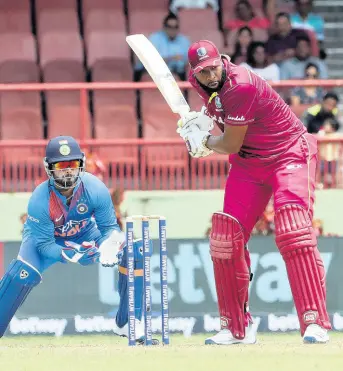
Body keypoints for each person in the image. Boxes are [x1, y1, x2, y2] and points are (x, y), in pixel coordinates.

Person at [177, 40, 331, 345]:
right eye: (202, 72)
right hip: (250, 163)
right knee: (225, 238)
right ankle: (236, 327)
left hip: (289, 152)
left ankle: (315, 321)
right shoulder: (199, 82)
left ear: (223, 60)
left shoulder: (241, 85)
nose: (209, 76)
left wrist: (204, 141)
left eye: (213, 68)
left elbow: (229, 143)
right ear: (194, 73)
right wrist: (201, 124)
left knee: (293, 229)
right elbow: (223, 118)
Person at [0, 136, 151, 344]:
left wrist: (110, 245)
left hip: (85, 235)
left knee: (133, 249)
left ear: (80, 165)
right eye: (62, 165)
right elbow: (44, 245)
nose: (68, 170)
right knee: (21, 274)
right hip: (45, 241)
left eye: (72, 164)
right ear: (49, 168)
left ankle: (128, 322)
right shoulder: (40, 198)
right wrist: (69, 253)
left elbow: (109, 228)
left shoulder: (95, 188)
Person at [134, 13, 190, 81]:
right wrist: (172, 58)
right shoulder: (155, 38)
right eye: (169, 27)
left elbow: (187, 61)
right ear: (164, 27)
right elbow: (151, 60)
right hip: (155, 71)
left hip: (176, 72)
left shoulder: (184, 41)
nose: (172, 30)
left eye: (175, 27)